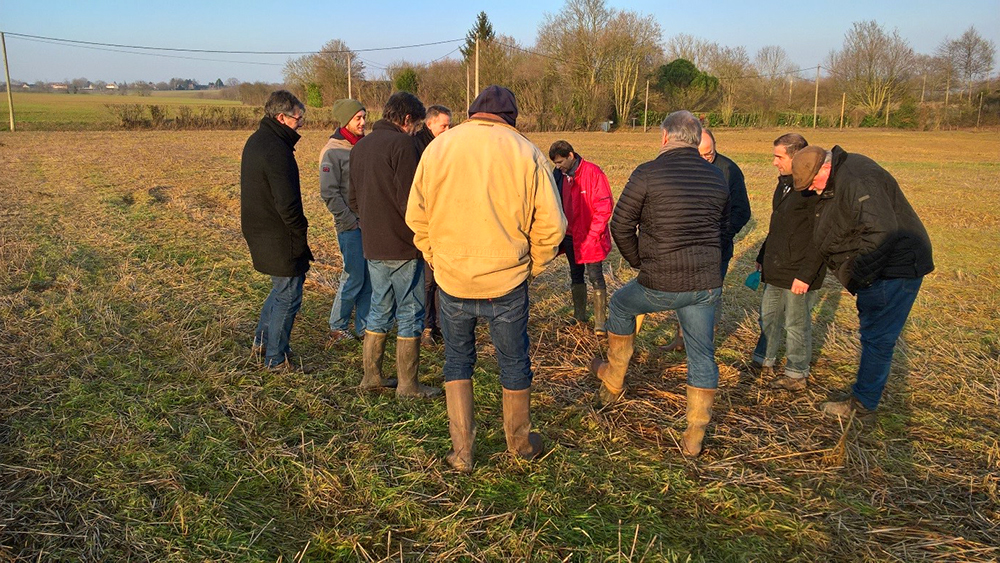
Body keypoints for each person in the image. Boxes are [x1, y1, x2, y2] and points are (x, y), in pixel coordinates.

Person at [407, 85, 566, 472]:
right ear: (510, 118)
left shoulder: (438, 147)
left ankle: (462, 453)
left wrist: (436, 259)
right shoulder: (525, 151)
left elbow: (417, 217)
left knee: (458, 361)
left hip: (452, 280)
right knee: (514, 361)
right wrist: (533, 265)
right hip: (507, 282)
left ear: (473, 112)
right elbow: (552, 227)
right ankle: (519, 445)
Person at [591, 110, 729, 457]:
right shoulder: (716, 177)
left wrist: (639, 262)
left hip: (660, 280)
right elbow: (721, 227)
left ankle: (613, 381)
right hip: (706, 283)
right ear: (697, 140)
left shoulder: (648, 173)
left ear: (665, 138)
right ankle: (695, 433)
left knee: (621, 304)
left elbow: (620, 225)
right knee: (702, 355)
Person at [791, 145, 933, 422]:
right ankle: (867, 392)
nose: (812, 190)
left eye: (812, 183)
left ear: (824, 168)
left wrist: (861, 278)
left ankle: (864, 403)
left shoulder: (856, 179)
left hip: (894, 270)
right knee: (876, 337)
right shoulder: (843, 175)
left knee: (878, 338)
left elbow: (880, 231)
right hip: (886, 268)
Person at [349, 91, 439, 398]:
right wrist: (426, 236)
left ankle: (371, 377)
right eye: (416, 126)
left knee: (378, 309)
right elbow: (411, 201)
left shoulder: (360, 146)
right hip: (403, 245)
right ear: (406, 120)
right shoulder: (403, 145)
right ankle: (408, 385)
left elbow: (352, 198)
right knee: (411, 312)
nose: (417, 132)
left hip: (372, 244)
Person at [240, 90, 313, 372]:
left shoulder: (259, 140)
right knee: (289, 294)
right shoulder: (276, 150)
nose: (301, 124)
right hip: (278, 233)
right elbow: (288, 203)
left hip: (261, 229)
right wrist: (300, 232)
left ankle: (262, 341)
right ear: (281, 117)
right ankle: (275, 358)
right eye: (298, 118)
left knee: (279, 288)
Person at [661, 127, 751, 352]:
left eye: (708, 155)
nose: (703, 160)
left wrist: (721, 236)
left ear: (715, 149)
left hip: (715, 249)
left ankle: (704, 344)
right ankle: (681, 339)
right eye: (698, 155)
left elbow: (742, 211)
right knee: (683, 292)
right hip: (685, 248)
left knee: (710, 296)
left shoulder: (729, 171)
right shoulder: (681, 168)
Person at [750, 133, 827, 391]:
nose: (774, 162)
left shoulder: (812, 190)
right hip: (776, 267)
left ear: (797, 157)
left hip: (799, 271)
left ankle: (796, 373)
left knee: (796, 323)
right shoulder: (784, 184)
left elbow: (820, 237)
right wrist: (763, 255)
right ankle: (764, 360)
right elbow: (778, 226)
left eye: (778, 156)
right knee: (768, 316)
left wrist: (806, 275)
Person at [548, 140, 614, 334]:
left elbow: (604, 207)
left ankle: (600, 323)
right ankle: (579, 316)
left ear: (571, 155)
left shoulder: (593, 173)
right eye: (555, 163)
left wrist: (594, 235)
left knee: (596, 277)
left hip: (590, 236)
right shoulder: (558, 175)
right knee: (575, 274)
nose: (558, 166)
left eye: (560, 162)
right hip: (569, 236)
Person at [320, 98, 370, 344]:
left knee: (369, 277)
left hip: (369, 223)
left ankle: (365, 326)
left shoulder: (365, 145)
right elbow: (329, 194)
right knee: (353, 276)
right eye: (357, 118)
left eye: (364, 117)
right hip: (351, 226)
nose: (363, 122)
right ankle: (337, 326)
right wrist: (350, 222)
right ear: (345, 121)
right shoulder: (332, 151)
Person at [412, 105, 453, 347]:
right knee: (428, 280)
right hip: (427, 221)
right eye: (444, 125)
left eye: (450, 125)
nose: (448, 130)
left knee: (440, 278)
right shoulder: (418, 148)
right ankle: (426, 326)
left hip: (444, 219)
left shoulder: (446, 146)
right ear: (430, 124)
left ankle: (440, 324)